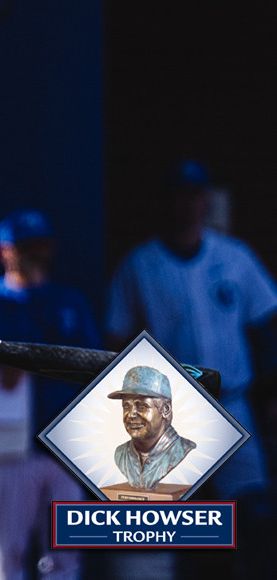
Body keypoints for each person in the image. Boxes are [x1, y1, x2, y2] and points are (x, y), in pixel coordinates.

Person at [105, 159, 277, 503]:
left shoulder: (234, 256)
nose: (189, 205)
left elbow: (266, 326)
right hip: (173, 410)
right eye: (180, 196)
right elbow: (115, 340)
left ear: (206, 200)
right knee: (167, 512)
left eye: (195, 195)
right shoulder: (140, 264)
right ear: (166, 201)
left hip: (232, 402)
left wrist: (272, 394)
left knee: (252, 506)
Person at [0, 208, 100, 580]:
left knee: (65, 556)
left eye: (41, 246)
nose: (34, 254)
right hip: (12, 446)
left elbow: (91, 365)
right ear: (5, 251)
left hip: (65, 446)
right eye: (25, 247)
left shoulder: (68, 303)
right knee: (8, 552)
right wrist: (2, 366)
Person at [108, 366, 197, 490]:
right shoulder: (121, 454)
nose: (131, 414)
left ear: (166, 410)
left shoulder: (182, 449)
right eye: (126, 406)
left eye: (142, 406)